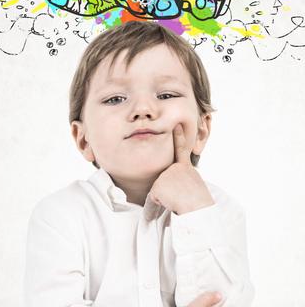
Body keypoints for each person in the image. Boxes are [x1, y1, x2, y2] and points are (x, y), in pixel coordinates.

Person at [23, 21, 255, 306]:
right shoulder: (61, 215)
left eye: (166, 95)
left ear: (202, 130)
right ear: (83, 139)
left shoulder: (220, 211)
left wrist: (196, 210)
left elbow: (227, 300)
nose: (143, 109)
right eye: (115, 98)